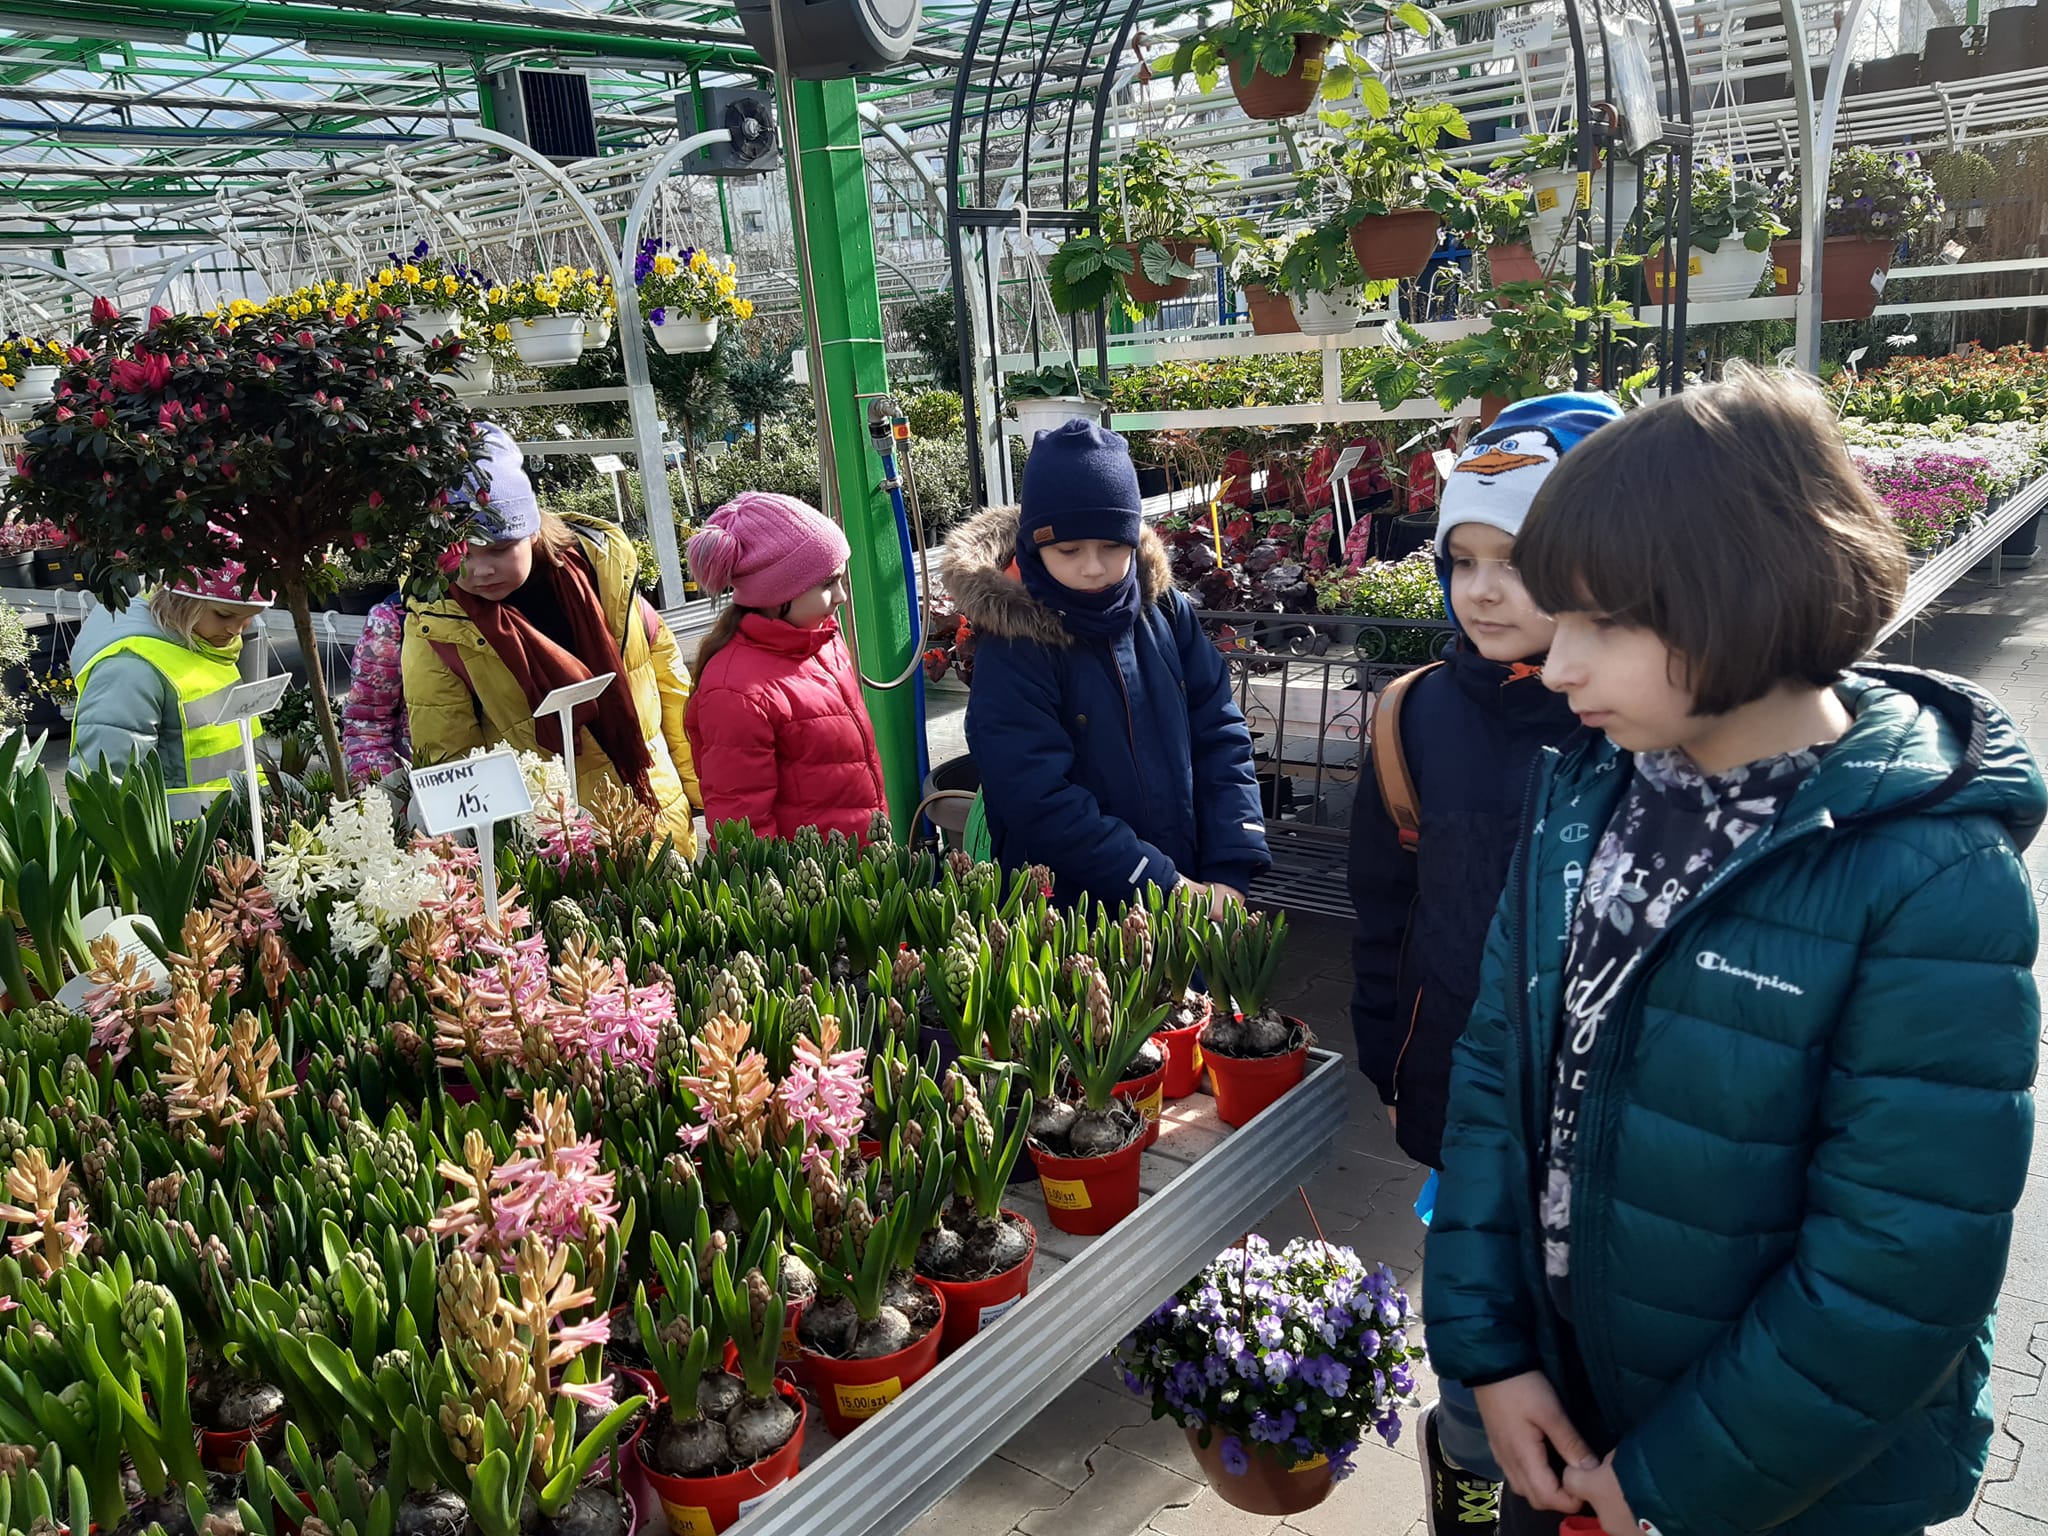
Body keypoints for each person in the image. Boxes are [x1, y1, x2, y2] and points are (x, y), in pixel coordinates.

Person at [1425, 368, 2043, 1536]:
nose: (1557, 667)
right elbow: (1490, 1088)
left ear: (1738, 597)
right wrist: (1488, 1356)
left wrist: (1668, 1485)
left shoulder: (1928, 875)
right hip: (1564, 1414)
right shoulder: (1584, 797)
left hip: (1782, 1487)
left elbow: (1896, 1265)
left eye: (1603, 623)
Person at [1348, 394, 1623, 1536]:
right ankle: (1462, 1470)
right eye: (1461, 560)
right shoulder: (1412, 717)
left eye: (1517, 561)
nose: (1483, 590)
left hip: (1604, 1126)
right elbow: (1384, 905)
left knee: (1588, 1351)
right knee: (1471, 1343)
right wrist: (1389, 1050)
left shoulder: (1625, 720)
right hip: (1460, 1098)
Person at [942, 419, 1269, 909]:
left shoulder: (1164, 612)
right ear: (1035, 544)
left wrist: (1230, 863)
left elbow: (1220, 732)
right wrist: (1159, 882)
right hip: (1070, 913)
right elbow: (1037, 796)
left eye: (1112, 546)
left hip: (1194, 892)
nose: (1093, 567)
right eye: (1068, 550)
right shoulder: (1014, 646)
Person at [404, 426, 702, 852]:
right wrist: (481, 856)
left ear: (531, 530)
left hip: (657, 814)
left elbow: (671, 693)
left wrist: (701, 790)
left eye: (498, 548)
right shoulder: (437, 621)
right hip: (552, 847)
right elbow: (449, 750)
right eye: (459, 552)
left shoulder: (603, 576)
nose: (478, 570)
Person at [683, 491, 888, 844]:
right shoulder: (735, 692)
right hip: (812, 883)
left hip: (859, 861)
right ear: (776, 593)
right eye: (827, 584)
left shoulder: (822, 642)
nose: (840, 596)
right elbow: (740, 825)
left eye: (840, 580)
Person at [71, 564, 272, 819]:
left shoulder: (205, 643)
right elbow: (104, 782)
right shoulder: (130, 669)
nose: (236, 629)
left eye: (249, 616)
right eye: (223, 615)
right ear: (183, 601)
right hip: (179, 845)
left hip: (229, 830)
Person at [341, 591, 410, 787]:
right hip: (422, 789)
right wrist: (384, 795)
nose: (482, 571)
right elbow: (367, 725)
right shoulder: (394, 620)